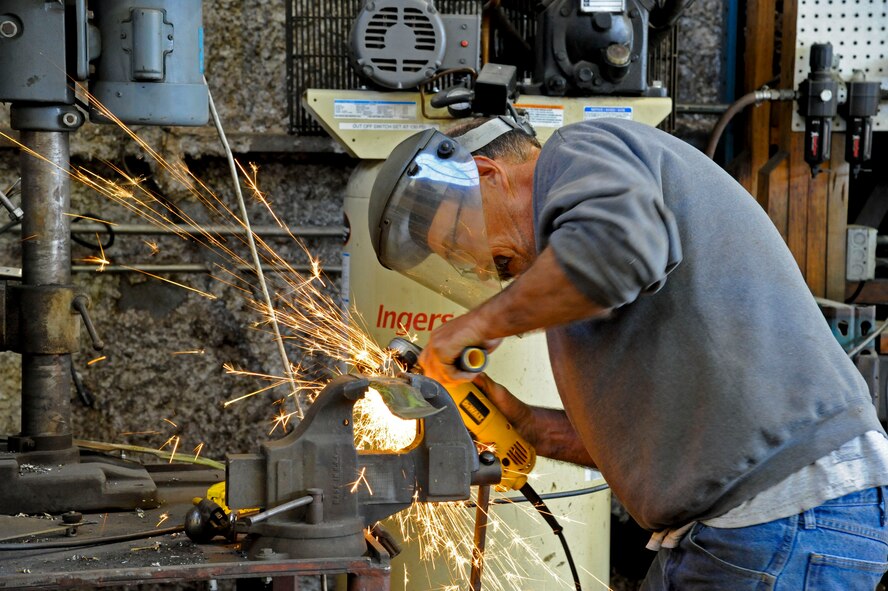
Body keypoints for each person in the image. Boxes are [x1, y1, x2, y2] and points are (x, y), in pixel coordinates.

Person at [368, 115, 888, 589]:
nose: (476, 268)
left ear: (487, 174)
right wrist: (528, 425)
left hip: (786, 511)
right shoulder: (569, 276)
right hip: (734, 528)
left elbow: (620, 251)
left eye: (460, 241)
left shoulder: (578, 152)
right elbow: (653, 446)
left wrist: (478, 325)